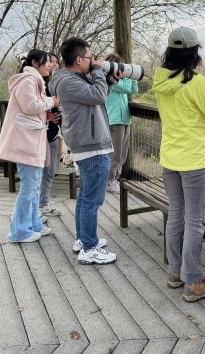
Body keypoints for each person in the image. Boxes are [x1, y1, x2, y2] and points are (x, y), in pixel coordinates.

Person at [152, 26, 205, 302]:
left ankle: (175, 273)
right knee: (194, 220)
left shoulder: (161, 81)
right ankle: (193, 281)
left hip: (170, 158)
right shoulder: (196, 83)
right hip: (194, 160)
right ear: (194, 52)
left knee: (176, 214)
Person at [49, 37, 118, 265]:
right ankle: (89, 248)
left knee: (85, 197)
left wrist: (108, 80)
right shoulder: (68, 82)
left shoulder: (72, 79)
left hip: (88, 144)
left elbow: (95, 97)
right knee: (92, 200)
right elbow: (96, 96)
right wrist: (99, 70)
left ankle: (83, 238)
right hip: (91, 147)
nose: (93, 60)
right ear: (79, 59)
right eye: (90, 57)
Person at [0, 49, 59, 243]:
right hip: (25, 144)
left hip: (32, 143)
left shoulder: (34, 80)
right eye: (47, 62)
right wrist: (51, 102)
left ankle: (33, 224)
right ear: (34, 62)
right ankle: (19, 231)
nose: (50, 65)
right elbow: (29, 106)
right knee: (28, 188)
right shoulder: (27, 80)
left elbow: (31, 109)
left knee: (33, 186)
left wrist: (47, 113)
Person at [104, 52, 139, 193]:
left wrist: (133, 75)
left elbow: (133, 89)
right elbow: (123, 87)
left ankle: (115, 179)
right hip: (114, 119)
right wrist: (123, 77)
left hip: (125, 119)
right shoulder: (109, 80)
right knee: (115, 154)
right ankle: (109, 180)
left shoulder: (120, 80)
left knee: (123, 154)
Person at [39, 52, 63, 218]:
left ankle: (43, 204)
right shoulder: (40, 84)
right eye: (50, 62)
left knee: (50, 170)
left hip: (53, 134)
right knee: (44, 172)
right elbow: (33, 106)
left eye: (56, 62)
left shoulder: (56, 83)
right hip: (42, 136)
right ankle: (40, 206)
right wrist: (48, 115)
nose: (54, 65)